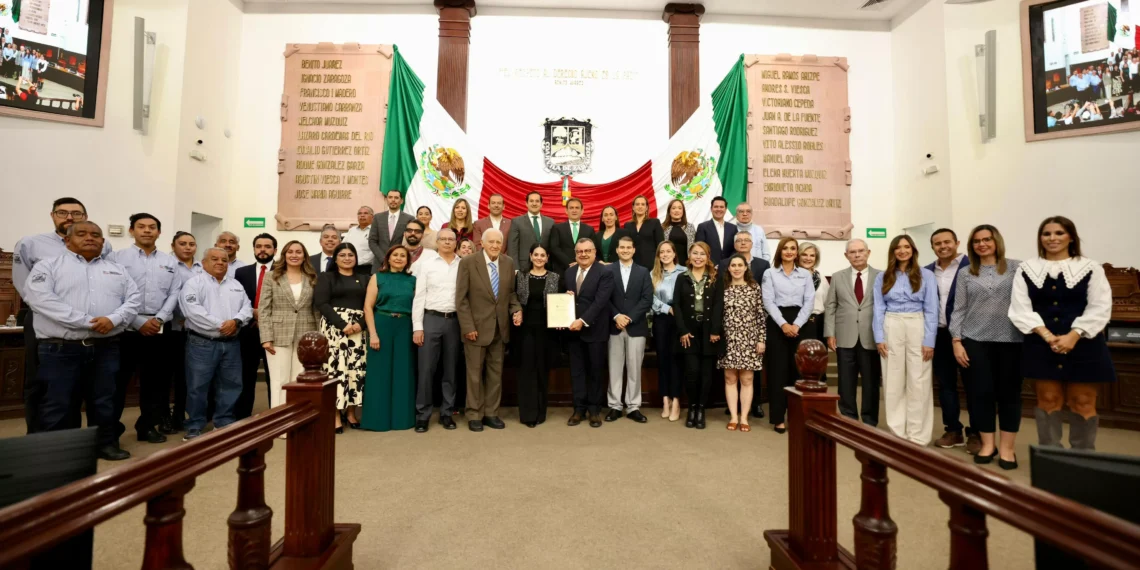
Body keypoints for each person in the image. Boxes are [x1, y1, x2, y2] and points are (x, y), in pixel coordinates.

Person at [23, 221, 140, 460]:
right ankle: (59, 453)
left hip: (106, 348)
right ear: (67, 240)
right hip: (60, 349)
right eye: (82, 234)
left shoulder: (117, 270)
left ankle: (104, 444)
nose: (90, 238)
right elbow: (41, 300)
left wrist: (113, 319)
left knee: (104, 400)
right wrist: (89, 322)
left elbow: (134, 299)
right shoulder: (48, 266)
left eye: (96, 235)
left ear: (103, 242)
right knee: (59, 403)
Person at [1009, 216, 1115, 451]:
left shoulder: (1091, 268)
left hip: (1084, 343)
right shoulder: (1027, 269)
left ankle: (1084, 459)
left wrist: (1073, 335)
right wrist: (1047, 335)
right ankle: (1051, 459)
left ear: (1071, 237)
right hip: (1041, 344)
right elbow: (1020, 308)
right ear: (1040, 238)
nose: (1052, 238)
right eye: (1046, 234)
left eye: (1059, 233)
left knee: (1083, 402)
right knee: (1048, 401)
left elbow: (1100, 306)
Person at [13, 197, 112, 433]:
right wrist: (58, 313)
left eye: (76, 213)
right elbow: (24, 284)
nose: (69, 217)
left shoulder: (103, 246)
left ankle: (90, 438)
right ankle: (38, 436)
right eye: (63, 213)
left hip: (93, 326)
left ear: (85, 217)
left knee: (89, 385)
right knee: (41, 381)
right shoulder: (31, 244)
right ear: (52, 216)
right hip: (43, 320)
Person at [950, 225, 1022, 469]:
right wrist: (957, 341)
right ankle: (988, 444)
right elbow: (959, 308)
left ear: (996, 241)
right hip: (975, 341)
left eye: (987, 239)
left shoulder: (1016, 268)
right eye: (977, 241)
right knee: (981, 395)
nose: (982, 244)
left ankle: (1007, 449)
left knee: (1009, 396)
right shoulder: (966, 273)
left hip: (1012, 341)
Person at [108, 214, 182, 446]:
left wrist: (159, 319)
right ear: (132, 231)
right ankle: (111, 433)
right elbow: (113, 293)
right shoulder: (118, 258)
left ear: (159, 233)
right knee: (118, 382)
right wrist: (138, 321)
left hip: (160, 328)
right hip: (127, 328)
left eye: (152, 227)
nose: (147, 231)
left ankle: (147, 426)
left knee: (156, 382)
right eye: (141, 227)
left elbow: (175, 293)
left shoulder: (170, 262)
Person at [179, 247, 253, 441]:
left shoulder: (236, 285)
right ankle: (194, 425)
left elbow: (247, 307)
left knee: (231, 384)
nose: (220, 262)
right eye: (215, 259)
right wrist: (222, 325)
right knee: (197, 386)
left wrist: (236, 322)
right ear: (204, 263)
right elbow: (193, 312)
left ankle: (224, 421)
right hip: (202, 343)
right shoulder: (193, 284)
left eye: (224, 260)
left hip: (231, 344)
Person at [873, 235, 938, 446]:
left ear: (913, 249)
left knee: (918, 381)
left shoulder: (926, 275)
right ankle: (898, 433)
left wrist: (930, 340)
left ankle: (917, 435)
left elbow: (931, 308)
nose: (902, 251)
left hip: (917, 323)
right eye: (898, 247)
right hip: (891, 324)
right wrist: (879, 337)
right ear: (892, 251)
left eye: (906, 247)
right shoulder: (883, 277)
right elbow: (878, 308)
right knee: (893, 379)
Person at [456, 228, 522, 431]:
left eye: (498, 242)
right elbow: (461, 299)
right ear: (481, 243)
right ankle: (474, 414)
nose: (495, 245)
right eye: (491, 242)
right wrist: (468, 326)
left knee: (495, 374)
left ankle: (491, 413)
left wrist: (517, 309)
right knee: (474, 374)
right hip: (475, 329)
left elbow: (510, 294)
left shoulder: (508, 263)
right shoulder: (468, 263)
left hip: (499, 329)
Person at [926, 229, 977, 452]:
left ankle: (976, 433)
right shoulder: (927, 271)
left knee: (974, 385)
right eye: (937, 243)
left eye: (947, 242)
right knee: (946, 385)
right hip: (939, 334)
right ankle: (953, 430)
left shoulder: (973, 267)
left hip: (969, 335)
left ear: (957, 243)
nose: (943, 246)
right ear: (932, 247)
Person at [824, 239, 882, 426]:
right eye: (852, 252)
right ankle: (848, 418)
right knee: (846, 381)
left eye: (860, 251)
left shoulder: (881, 276)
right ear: (846, 255)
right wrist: (830, 334)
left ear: (868, 252)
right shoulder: (837, 277)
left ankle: (869, 421)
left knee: (871, 382)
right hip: (844, 336)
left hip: (871, 337)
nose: (857, 255)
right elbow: (831, 306)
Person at [762, 237, 816, 434]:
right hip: (777, 323)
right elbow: (767, 301)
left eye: (793, 248)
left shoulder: (804, 274)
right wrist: (784, 324)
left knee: (798, 372)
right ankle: (778, 418)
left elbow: (809, 302)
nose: (789, 251)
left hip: (800, 323)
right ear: (779, 251)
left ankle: (797, 416)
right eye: (785, 248)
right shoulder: (770, 273)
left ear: (797, 253)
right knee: (778, 372)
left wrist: (796, 324)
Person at [411, 229, 462, 433]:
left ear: (455, 242)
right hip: (430, 319)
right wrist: (418, 327)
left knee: (451, 370)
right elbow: (419, 296)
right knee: (426, 370)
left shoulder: (463, 264)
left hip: (454, 321)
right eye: (444, 239)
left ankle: (447, 413)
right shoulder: (426, 265)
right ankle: (423, 415)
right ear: (437, 242)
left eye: (451, 239)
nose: (447, 242)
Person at [362, 245, 417, 432]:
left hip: (404, 325)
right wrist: (373, 334)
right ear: (388, 258)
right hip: (382, 324)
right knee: (380, 372)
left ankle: (402, 419)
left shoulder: (413, 280)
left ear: (408, 261)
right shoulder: (377, 277)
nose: (399, 258)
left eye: (403, 256)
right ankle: (377, 420)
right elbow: (368, 307)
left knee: (403, 372)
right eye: (395, 255)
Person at [258, 240, 319, 409]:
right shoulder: (272, 276)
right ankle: (279, 424)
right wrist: (266, 337)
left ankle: (296, 424)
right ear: (284, 255)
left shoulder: (312, 277)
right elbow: (264, 309)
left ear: (304, 256)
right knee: (279, 380)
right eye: (290, 252)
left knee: (300, 380)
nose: (294, 255)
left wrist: (318, 337)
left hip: (306, 335)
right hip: (277, 335)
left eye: (298, 252)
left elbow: (316, 310)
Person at [717, 232, 772, 419]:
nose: (737, 268)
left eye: (740, 265)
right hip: (728, 339)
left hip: (749, 340)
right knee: (730, 378)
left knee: (747, 379)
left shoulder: (754, 287)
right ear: (728, 268)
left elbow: (760, 316)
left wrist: (761, 340)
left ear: (745, 267)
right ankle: (733, 416)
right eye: (733, 265)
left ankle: (744, 418)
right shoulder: (722, 288)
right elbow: (716, 315)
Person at [315, 243, 368, 433]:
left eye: (351, 255)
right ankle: (335, 414)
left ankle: (351, 412)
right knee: (336, 371)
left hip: (358, 331)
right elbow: (321, 303)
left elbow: (370, 305)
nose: (347, 258)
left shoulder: (364, 279)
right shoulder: (326, 277)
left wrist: (360, 324)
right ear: (335, 258)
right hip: (334, 329)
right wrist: (342, 324)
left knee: (355, 371)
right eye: (343, 255)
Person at [564, 238, 615, 428]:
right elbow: (567, 299)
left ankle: (594, 410)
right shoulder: (569, 272)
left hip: (595, 330)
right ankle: (579, 409)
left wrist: (583, 321)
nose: (583, 254)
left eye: (587, 251)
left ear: (594, 252)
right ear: (575, 253)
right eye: (579, 252)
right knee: (576, 372)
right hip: (573, 332)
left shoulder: (605, 272)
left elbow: (600, 302)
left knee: (595, 371)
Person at [605, 236, 654, 423]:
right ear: (617, 250)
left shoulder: (643, 272)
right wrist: (616, 316)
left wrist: (630, 317)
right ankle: (615, 406)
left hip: (636, 327)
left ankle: (633, 406)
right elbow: (604, 297)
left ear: (634, 250)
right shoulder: (608, 270)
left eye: (628, 247)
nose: (625, 250)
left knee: (634, 369)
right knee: (614, 368)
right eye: (622, 247)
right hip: (614, 326)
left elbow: (647, 299)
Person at [514, 243, 562, 427]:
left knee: (542, 370)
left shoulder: (556, 277)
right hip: (524, 330)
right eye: (536, 255)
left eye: (543, 255)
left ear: (547, 257)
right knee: (527, 371)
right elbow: (513, 298)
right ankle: (528, 414)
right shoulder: (521, 276)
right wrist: (516, 311)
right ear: (530, 256)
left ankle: (540, 413)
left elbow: (561, 301)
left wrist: (567, 299)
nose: (540, 258)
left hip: (547, 331)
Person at [674, 242, 720, 429]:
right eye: (695, 253)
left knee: (706, 374)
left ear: (708, 257)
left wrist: (715, 330)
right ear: (689, 256)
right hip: (689, 331)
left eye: (702, 254)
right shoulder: (681, 277)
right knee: (692, 372)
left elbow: (718, 305)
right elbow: (676, 305)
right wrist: (683, 330)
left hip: (709, 331)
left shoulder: (716, 278)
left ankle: (701, 409)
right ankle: (692, 407)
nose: (698, 257)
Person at [233, 233, 277, 420]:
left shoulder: (282, 271)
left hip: (274, 331)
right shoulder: (241, 272)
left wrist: (266, 316)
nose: (263, 250)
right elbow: (237, 299)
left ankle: (275, 414)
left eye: (267, 246)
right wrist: (252, 311)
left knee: (274, 376)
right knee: (246, 376)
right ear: (253, 249)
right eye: (259, 246)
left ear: (275, 250)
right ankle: (243, 416)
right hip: (248, 330)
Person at [168, 231, 201, 431]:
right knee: (171, 375)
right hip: (173, 328)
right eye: (183, 243)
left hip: (195, 330)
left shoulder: (201, 267)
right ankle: (169, 415)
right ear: (173, 246)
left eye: (191, 244)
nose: (188, 247)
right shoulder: (168, 266)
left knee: (188, 376)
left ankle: (183, 413)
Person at [651, 241, 686, 421]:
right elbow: (650, 299)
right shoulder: (653, 274)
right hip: (662, 321)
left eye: (668, 251)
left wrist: (677, 310)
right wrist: (666, 308)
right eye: (661, 252)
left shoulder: (684, 272)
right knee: (663, 361)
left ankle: (677, 401)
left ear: (674, 253)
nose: (665, 254)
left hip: (680, 322)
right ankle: (666, 400)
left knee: (677, 361)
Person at [799, 242, 830, 379]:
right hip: (798, 323)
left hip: (818, 323)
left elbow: (828, 303)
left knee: (817, 362)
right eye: (804, 254)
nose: (808, 258)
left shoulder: (821, 277)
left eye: (812, 255)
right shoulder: (792, 274)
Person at [507, 191, 555, 273]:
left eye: (537, 201)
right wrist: (515, 268)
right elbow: (512, 247)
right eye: (531, 201)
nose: (534, 204)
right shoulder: (517, 222)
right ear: (526, 203)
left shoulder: (550, 222)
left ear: (541, 204)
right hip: (523, 267)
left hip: (546, 267)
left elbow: (553, 246)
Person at [368, 189, 414, 271]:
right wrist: (384, 259)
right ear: (386, 200)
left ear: (401, 201)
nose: (393, 200)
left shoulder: (409, 219)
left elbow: (409, 242)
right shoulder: (378, 218)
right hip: (379, 265)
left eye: (396, 198)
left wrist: (397, 258)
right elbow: (372, 241)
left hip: (400, 265)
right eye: (390, 197)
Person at [549, 197, 596, 273]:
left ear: (582, 211)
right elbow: (555, 248)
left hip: (585, 270)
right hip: (563, 270)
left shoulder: (589, 229)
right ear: (566, 211)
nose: (574, 210)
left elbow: (593, 250)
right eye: (571, 208)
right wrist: (570, 263)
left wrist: (579, 263)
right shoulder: (557, 228)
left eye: (577, 208)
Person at [623, 195, 664, 269]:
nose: (640, 206)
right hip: (632, 265)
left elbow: (660, 245)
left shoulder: (655, 222)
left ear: (647, 207)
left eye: (643, 204)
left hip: (652, 265)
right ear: (633, 207)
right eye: (637, 204)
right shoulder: (627, 225)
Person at [695, 196, 738, 265]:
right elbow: (700, 248)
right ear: (711, 209)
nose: (719, 209)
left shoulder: (733, 228)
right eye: (716, 207)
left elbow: (735, 248)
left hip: (729, 267)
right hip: (709, 267)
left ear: (725, 209)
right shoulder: (703, 227)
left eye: (721, 207)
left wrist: (728, 263)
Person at [661, 198, 696, 267]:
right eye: (673, 208)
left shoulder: (690, 227)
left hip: (686, 266)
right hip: (667, 265)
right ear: (669, 211)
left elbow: (694, 247)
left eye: (680, 208)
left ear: (683, 211)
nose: (677, 210)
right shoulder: (662, 228)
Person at [342, 206, 375, 274]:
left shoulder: (375, 231)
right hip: (348, 266)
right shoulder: (352, 230)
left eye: (365, 213)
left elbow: (374, 251)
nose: (362, 215)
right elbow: (343, 246)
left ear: (372, 217)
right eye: (359, 213)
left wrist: (356, 261)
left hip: (366, 268)